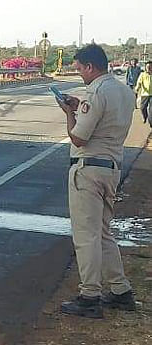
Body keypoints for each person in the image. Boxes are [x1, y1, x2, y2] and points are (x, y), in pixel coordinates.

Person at [56, 44, 137, 318]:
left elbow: (79, 138)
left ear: (90, 67)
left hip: (87, 169)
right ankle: (120, 290)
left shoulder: (96, 92)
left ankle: (89, 295)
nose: (79, 74)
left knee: (86, 235)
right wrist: (80, 107)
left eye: (79, 69)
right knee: (103, 233)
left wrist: (69, 113)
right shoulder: (124, 92)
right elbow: (104, 120)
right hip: (111, 167)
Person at [135, 61, 152, 126]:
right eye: (148, 67)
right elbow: (139, 82)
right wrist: (137, 88)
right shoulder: (143, 74)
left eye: (150, 67)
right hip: (145, 94)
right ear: (145, 67)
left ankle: (151, 123)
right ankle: (145, 116)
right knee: (142, 108)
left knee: (151, 111)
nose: (149, 68)